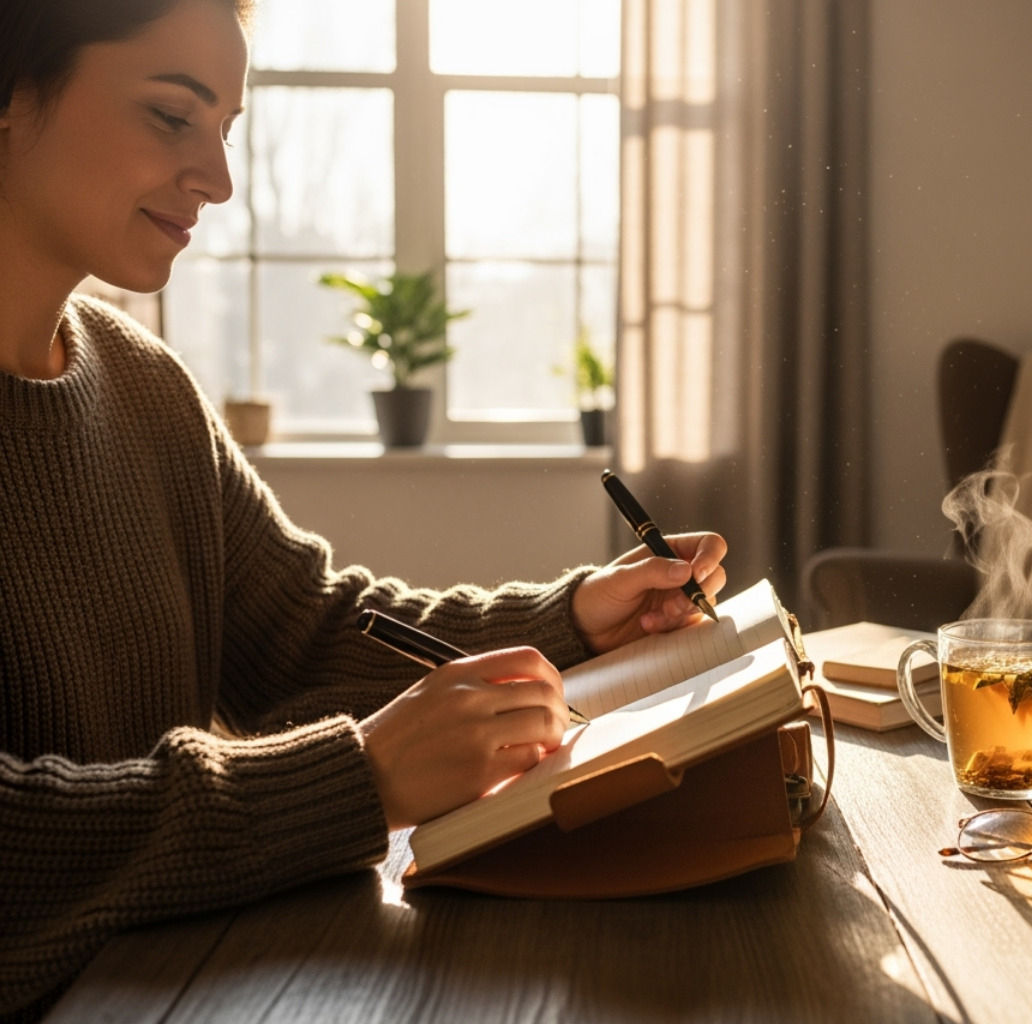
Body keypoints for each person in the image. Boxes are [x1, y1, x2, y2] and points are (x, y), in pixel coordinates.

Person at [0, 1, 726, 1018]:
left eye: (226, 130)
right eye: (172, 116)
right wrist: (357, 780)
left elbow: (306, 635)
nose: (218, 179)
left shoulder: (141, 383)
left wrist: (572, 620)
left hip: (160, 983)